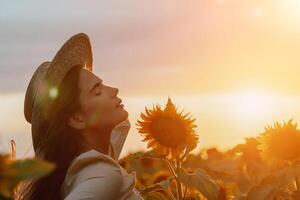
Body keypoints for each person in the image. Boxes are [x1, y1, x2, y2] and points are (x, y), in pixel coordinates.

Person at [16, 33, 143, 200]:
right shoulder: (103, 173)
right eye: (97, 91)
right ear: (77, 119)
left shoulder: (78, 174)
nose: (113, 90)